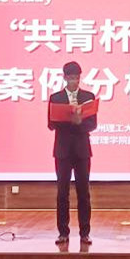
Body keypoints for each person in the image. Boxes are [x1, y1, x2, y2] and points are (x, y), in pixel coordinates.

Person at [47, 60, 97, 247]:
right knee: (62, 193)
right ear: (65, 78)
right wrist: (69, 120)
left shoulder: (88, 97)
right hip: (63, 151)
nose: (74, 81)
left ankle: (85, 233)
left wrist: (79, 122)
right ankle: (63, 233)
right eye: (71, 78)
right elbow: (51, 124)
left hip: (82, 151)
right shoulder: (56, 98)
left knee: (84, 193)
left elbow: (92, 124)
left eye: (77, 77)